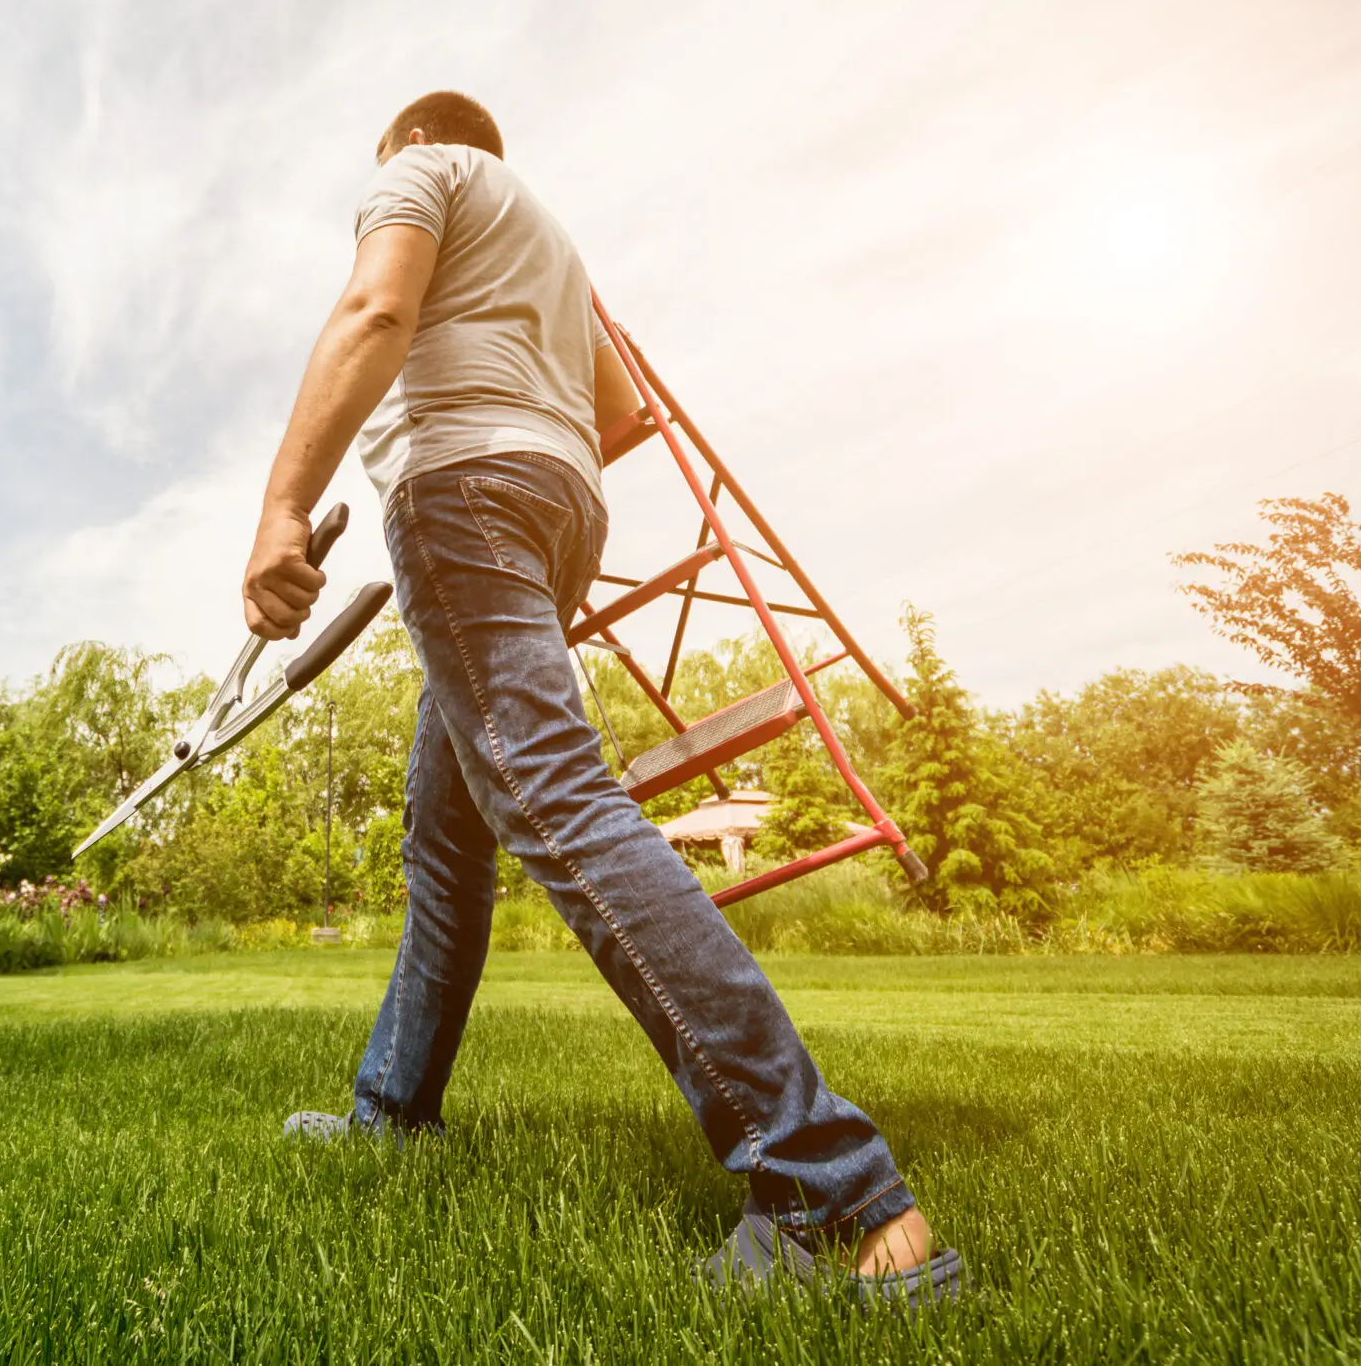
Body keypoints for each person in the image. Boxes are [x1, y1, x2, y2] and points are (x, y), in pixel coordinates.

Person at [239, 90, 961, 1303]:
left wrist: (278, 508)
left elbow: (374, 307)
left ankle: (830, 1186)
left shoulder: (422, 172)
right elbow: (620, 413)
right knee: (445, 852)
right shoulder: (551, 239)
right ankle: (390, 1112)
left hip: (464, 490)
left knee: (556, 800)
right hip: (560, 504)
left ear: (411, 139)